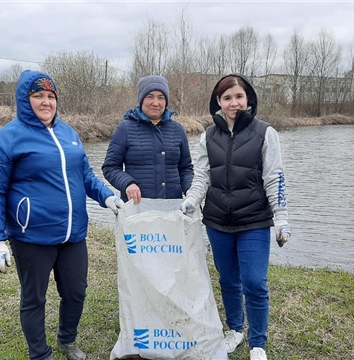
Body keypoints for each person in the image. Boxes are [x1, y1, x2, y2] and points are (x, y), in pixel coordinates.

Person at [0, 70, 123, 360]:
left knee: (76, 292)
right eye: (38, 96)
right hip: (31, 236)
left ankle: (67, 340)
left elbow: (85, 174)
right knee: (34, 298)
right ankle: (40, 354)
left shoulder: (68, 133)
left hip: (73, 234)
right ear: (24, 99)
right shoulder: (5, 140)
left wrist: (107, 196)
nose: (46, 102)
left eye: (50, 96)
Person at [180, 74, 291, 360]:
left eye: (239, 97)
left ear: (248, 100)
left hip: (253, 221)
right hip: (217, 222)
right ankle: (235, 330)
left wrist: (281, 218)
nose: (234, 103)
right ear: (218, 101)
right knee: (228, 280)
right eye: (227, 98)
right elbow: (202, 176)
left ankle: (257, 344)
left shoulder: (265, 133)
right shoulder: (207, 136)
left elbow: (274, 178)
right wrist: (191, 200)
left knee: (255, 282)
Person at [102, 75, 193, 204]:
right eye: (150, 96)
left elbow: (185, 168)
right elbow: (110, 168)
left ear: (166, 101)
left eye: (161, 97)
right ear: (141, 99)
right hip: (136, 207)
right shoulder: (125, 128)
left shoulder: (177, 129)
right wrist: (128, 184)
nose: (155, 103)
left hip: (172, 206)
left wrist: (190, 191)